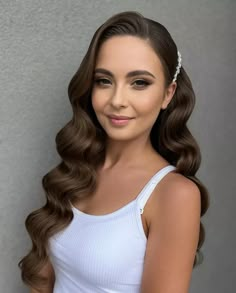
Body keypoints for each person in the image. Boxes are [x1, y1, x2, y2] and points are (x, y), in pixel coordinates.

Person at [18, 11, 209, 293]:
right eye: (104, 81)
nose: (117, 100)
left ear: (168, 94)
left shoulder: (174, 195)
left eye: (139, 83)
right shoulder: (77, 169)